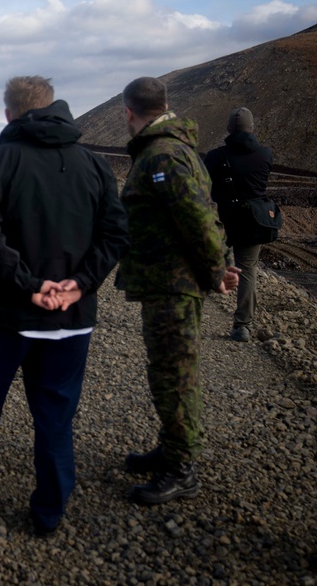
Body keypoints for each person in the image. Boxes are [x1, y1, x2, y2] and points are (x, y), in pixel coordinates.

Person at [0, 76, 129, 535]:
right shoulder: (94, 166)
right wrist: (79, 284)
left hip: (6, 315)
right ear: (56, 107)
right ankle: (49, 512)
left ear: (8, 114)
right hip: (72, 319)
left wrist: (29, 287)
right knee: (56, 415)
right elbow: (115, 233)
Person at [116, 77, 239, 505]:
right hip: (166, 283)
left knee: (175, 375)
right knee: (166, 370)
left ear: (129, 113)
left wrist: (218, 269)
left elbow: (197, 220)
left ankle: (181, 468)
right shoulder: (170, 149)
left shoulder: (162, 154)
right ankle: (171, 447)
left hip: (173, 285)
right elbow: (201, 215)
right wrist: (217, 266)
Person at [204, 107, 274, 342]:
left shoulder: (214, 157)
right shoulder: (265, 154)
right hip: (252, 221)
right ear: (252, 127)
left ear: (228, 129)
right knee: (248, 270)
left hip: (220, 220)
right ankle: (242, 326)